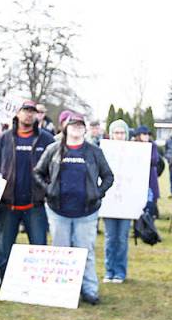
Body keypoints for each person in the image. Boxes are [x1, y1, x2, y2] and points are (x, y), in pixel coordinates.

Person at [34, 112, 113, 304]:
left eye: (80, 126)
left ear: (85, 129)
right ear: (65, 128)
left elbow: (108, 176)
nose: (76, 129)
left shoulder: (94, 152)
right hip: (58, 211)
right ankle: (62, 291)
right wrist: (48, 190)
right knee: (61, 253)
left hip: (87, 212)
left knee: (85, 251)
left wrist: (97, 192)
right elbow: (38, 172)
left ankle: (89, 290)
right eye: (73, 125)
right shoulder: (54, 149)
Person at [0, 100, 54, 282]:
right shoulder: (4, 138)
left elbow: (54, 169)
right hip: (8, 204)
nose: (29, 114)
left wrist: (47, 190)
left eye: (32, 111)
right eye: (25, 110)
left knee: (39, 245)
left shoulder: (47, 139)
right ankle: (3, 277)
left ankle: (41, 279)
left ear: (37, 115)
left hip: (35, 203)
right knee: (5, 246)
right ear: (17, 113)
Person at [101, 119, 132, 283]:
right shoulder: (104, 151)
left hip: (126, 204)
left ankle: (120, 271)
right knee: (110, 238)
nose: (119, 136)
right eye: (116, 133)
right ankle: (109, 270)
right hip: (110, 203)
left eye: (122, 133)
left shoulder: (134, 152)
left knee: (122, 238)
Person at [134, 125, 164, 217]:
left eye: (148, 134)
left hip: (150, 177)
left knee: (151, 200)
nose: (146, 136)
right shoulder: (134, 145)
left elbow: (155, 160)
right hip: (137, 177)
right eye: (144, 134)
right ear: (138, 135)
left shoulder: (153, 145)